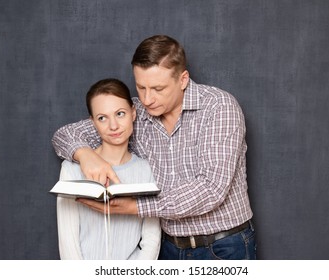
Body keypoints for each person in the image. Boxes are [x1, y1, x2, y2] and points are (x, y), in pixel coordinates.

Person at [52, 35, 256, 260]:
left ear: (183, 79)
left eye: (158, 88)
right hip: (168, 249)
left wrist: (137, 207)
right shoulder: (135, 112)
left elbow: (210, 189)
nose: (148, 99)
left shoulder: (219, 107)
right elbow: (64, 134)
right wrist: (84, 154)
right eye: (141, 87)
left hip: (222, 246)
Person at [56, 78, 161, 260]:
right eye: (102, 118)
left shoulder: (146, 170)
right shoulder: (71, 169)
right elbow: (68, 240)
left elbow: (151, 238)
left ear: (133, 113)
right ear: (93, 122)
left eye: (120, 114)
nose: (113, 126)